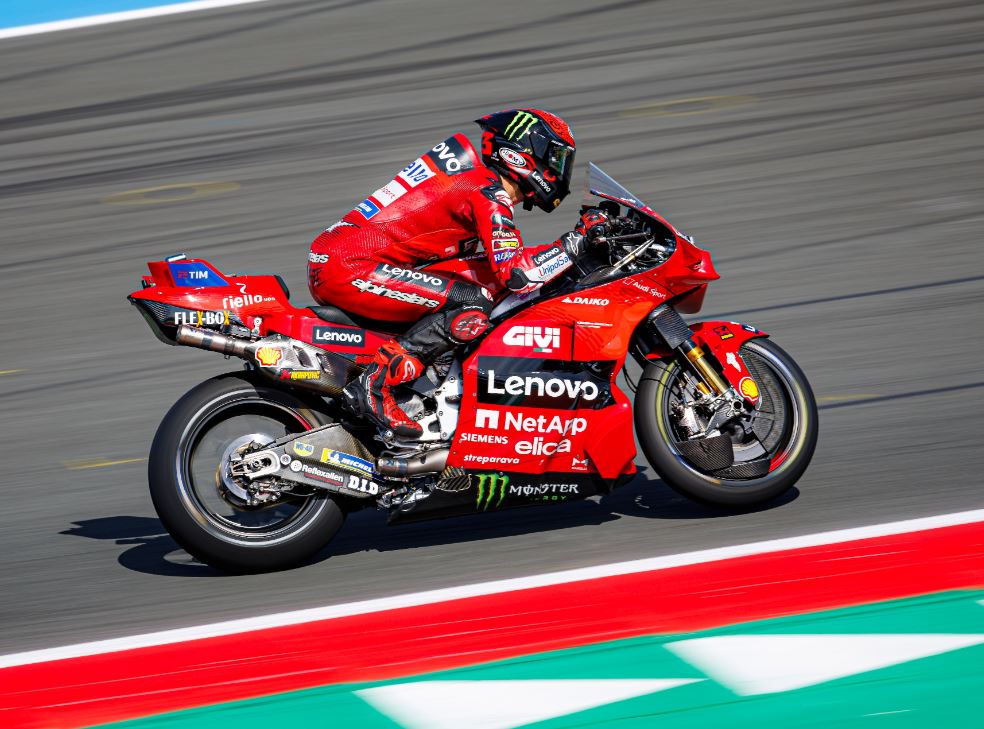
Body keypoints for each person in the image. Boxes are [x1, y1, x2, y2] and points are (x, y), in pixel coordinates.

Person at [307, 108, 611, 439]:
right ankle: (377, 384)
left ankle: (433, 381)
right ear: (523, 153)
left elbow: (501, 270)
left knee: (483, 282)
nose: (558, 169)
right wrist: (576, 241)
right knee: (472, 300)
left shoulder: (478, 184)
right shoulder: (486, 191)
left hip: (350, 262)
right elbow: (517, 275)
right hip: (350, 267)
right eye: (554, 158)